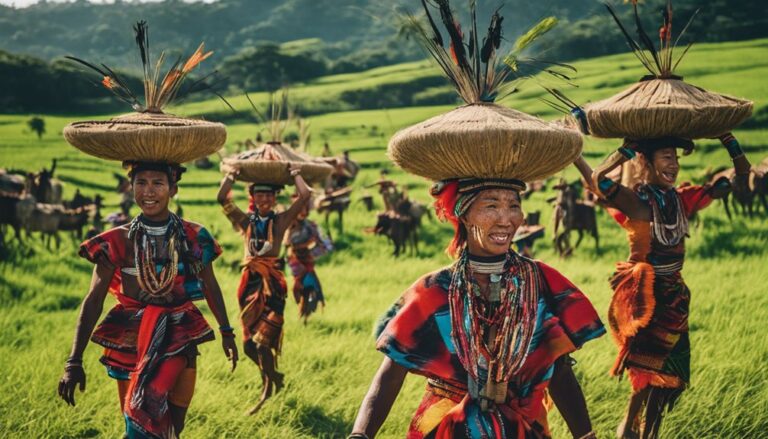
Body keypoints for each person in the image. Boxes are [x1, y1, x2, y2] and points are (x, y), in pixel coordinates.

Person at [350, 178, 606, 439]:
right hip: (446, 430)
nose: (506, 219)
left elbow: (560, 371)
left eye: (514, 206)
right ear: (463, 213)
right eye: (491, 206)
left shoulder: (540, 282)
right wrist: (360, 434)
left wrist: (586, 436)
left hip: (524, 430)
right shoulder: (435, 290)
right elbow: (390, 375)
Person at [573, 133, 750, 438]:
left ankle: (646, 431)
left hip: (676, 298)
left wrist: (728, 141)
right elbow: (599, 181)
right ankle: (630, 427)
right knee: (648, 370)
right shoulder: (637, 202)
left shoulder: (683, 199)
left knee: (670, 374)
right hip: (646, 298)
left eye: (677, 158)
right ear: (649, 163)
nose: (675, 164)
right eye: (667, 157)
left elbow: (742, 179)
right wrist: (625, 151)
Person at [58, 161, 238, 438]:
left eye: (158, 183)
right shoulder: (116, 241)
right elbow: (93, 300)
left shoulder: (193, 237)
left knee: (173, 426)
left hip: (180, 335)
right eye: (141, 183)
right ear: (131, 188)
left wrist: (227, 331)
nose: (148, 191)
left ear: (173, 189)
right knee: (139, 421)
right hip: (129, 340)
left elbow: (210, 285)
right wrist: (74, 361)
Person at [216, 163, 310, 415]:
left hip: (273, 286)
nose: (265, 199)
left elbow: (305, 196)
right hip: (249, 284)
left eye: (269, 195)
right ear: (253, 198)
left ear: (275, 197)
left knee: (262, 344)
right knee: (248, 345)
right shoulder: (246, 221)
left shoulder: (280, 221)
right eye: (259, 195)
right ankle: (271, 377)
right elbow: (221, 197)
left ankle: (268, 388)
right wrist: (232, 175)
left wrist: (295, 174)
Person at [284, 194, 331, 324]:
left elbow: (322, 242)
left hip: (307, 258)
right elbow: (286, 244)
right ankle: (301, 309)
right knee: (298, 286)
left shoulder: (311, 226)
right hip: (294, 260)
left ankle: (306, 313)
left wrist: (312, 248)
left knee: (311, 287)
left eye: (305, 209)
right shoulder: (288, 226)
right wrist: (304, 243)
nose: (303, 212)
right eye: (299, 209)